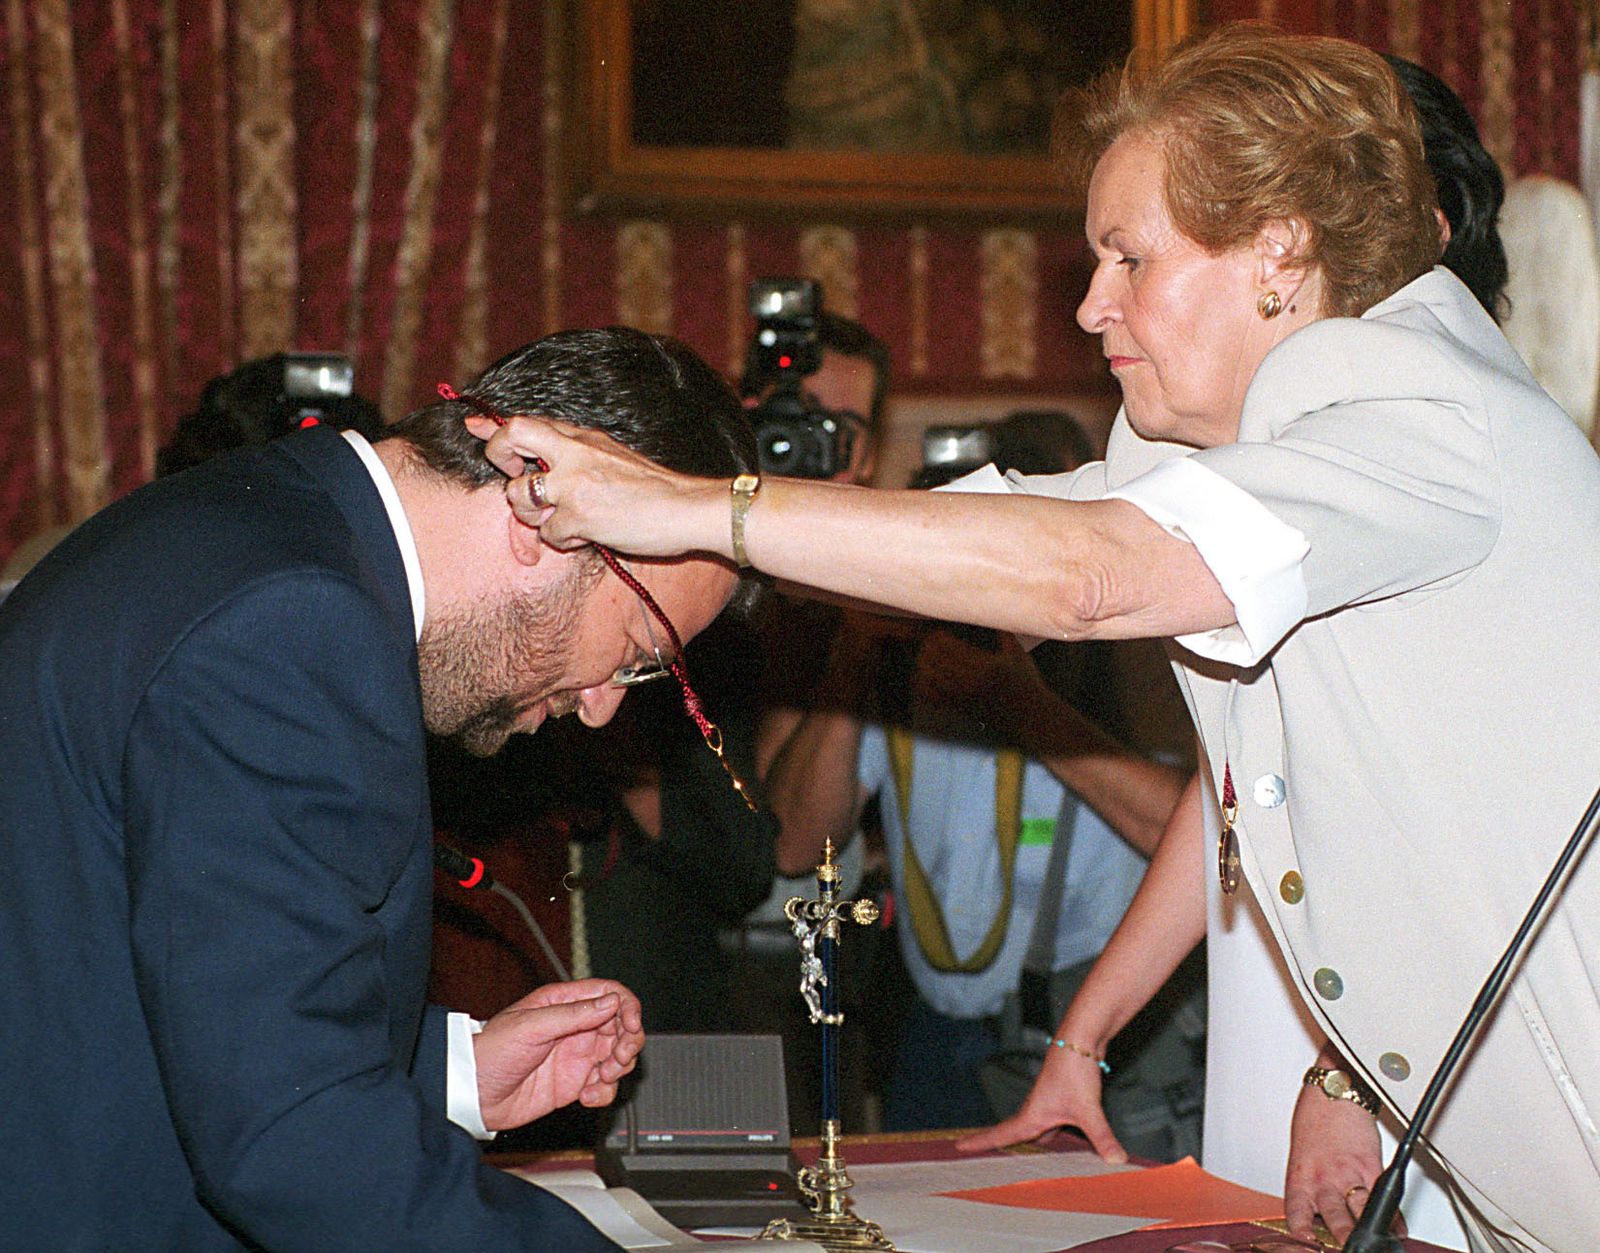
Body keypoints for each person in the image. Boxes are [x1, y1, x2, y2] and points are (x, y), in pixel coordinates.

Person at [472, 27, 1600, 1253]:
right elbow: (1008, 526)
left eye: (1130, 257)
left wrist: (693, 509)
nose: (1089, 304)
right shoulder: (1295, 443)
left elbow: (1087, 575)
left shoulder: (1421, 413)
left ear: (1277, 248)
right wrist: (1344, 1072)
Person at [0, 327, 753, 1250]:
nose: (601, 708)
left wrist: (455, 1070)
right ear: (545, 508)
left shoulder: (259, 526)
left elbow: (169, 988)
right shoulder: (295, 624)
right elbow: (291, 1139)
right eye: (638, 652)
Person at [957, 54, 1516, 1252]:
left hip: (1416, 1023)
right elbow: (1229, 796)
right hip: (1281, 977)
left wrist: (1346, 1076)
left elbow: (1462, 837)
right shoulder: (1240, 454)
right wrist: (1084, 1033)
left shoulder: (1426, 458)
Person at [765, 415, 1200, 1155]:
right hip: (932, 1030)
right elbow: (793, 845)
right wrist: (858, 644)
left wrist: (1020, 704)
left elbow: (1198, 836)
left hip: (1081, 1019)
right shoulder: (898, 681)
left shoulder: (1127, 658)